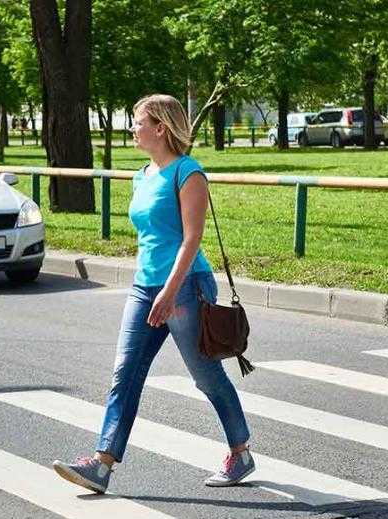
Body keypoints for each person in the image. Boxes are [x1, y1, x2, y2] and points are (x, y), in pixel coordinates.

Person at [52, 94, 254, 494]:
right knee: (125, 371)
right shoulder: (142, 175)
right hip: (145, 287)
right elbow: (150, 236)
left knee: (205, 375)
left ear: (160, 127)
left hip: (184, 285)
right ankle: (102, 464)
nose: (132, 128)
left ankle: (240, 451)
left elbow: (192, 238)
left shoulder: (188, 173)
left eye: (137, 122)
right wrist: (153, 287)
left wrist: (171, 290)